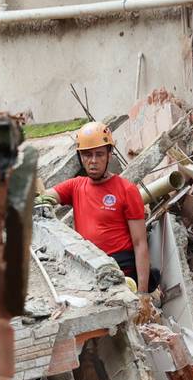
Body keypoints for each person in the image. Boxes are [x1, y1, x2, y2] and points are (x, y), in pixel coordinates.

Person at [52, 121, 151, 294]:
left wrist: (142, 294)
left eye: (99, 154)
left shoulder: (127, 190)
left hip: (120, 274)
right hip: (89, 272)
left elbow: (140, 243)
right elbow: (47, 195)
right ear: (80, 157)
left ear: (109, 154)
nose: (93, 161)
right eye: (87, 155)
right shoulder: (75, 186)